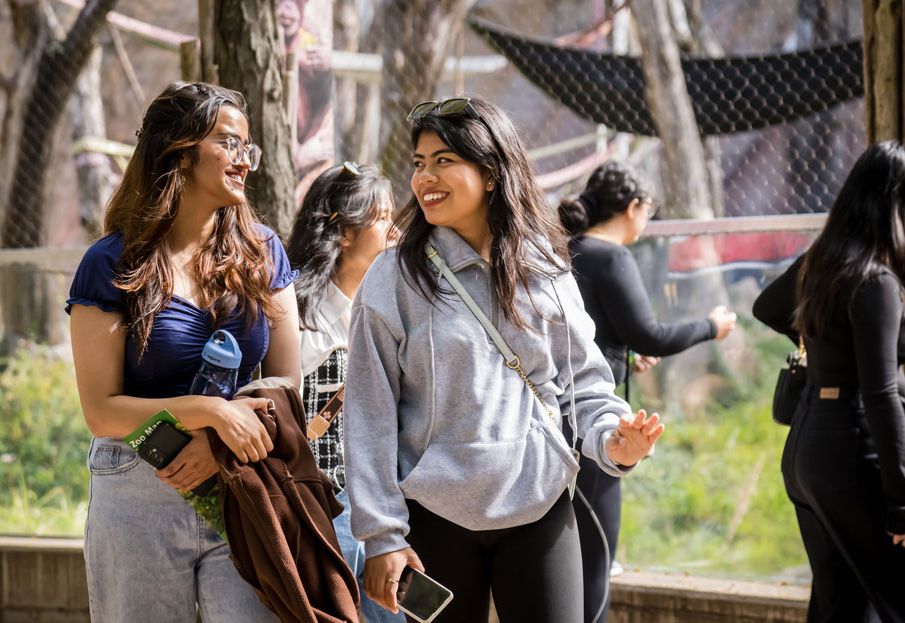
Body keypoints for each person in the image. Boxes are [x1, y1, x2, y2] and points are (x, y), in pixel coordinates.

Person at [342, 96, 665, 623]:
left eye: (444, 160)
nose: (426, 176)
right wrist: (381, 536)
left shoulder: (545, 268)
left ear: (491, 173)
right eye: (420, 163)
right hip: (435, 519)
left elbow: (583, 382)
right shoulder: (394, 277)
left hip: (540, 506)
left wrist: (613, 439)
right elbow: (369, 413)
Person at [66, 81, 300, 623]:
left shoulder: (265, 253)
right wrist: (211, 413)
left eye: (249, 148)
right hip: (138, 484)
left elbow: (288, 384)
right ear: (180, 149)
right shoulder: (111, 264)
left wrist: (216, 446)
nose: (245, 160)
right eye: (229, 144)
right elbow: (101, 411)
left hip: (243, 484)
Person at [752, 141, 905, 622]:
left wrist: (825, 342)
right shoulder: (875, 281)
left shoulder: (824, 264)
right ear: (904, 211)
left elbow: (766, 307)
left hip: (808, 450)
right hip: (852, 452)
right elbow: (881, 396)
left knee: (842, 610)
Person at [558, 160, 737, 623]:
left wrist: (623, 354)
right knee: (596, 556)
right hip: (594, 425)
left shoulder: (566, 251)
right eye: (648, 209)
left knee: (565, 555)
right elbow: (650, 334)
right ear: (633, 207)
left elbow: (591, 336)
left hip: (555, 416)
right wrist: (711, 327)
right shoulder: (610, 256)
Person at [285, 160, 404, 623]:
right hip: (317, 517)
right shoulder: (293, 318)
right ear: (342, 233)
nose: (395, 230)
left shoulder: (392, 311)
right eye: (382, 218)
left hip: (386, 518)